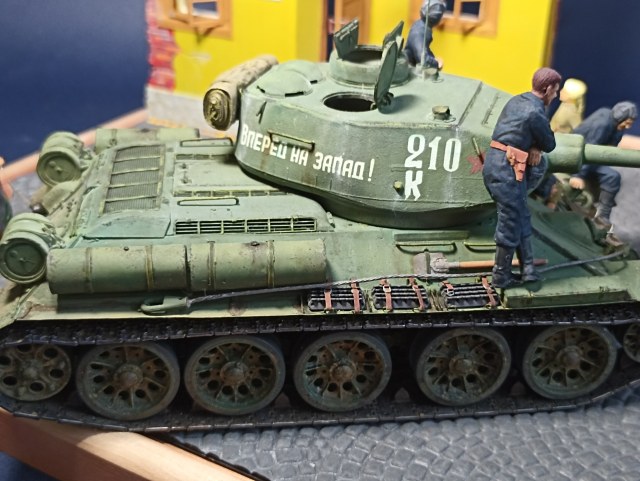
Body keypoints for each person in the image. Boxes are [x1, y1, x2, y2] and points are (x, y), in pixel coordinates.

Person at [483, 67, 562, 288]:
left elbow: (520, 132)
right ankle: (501, 276)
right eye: (555, 90)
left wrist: (533, 145)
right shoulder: (536, 112)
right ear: (547, 89)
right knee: (510, 221)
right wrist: (538, 144)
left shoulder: (516, 100)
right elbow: (550, 143)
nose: (556, 95)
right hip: (508, 169)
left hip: (496, 163)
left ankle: (528, 269)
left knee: (521, 215)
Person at [568, 101, 637, 245]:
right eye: (627, 122)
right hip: (578, 158)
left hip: (591, 158)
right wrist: (578, 176)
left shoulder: (613, 121)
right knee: (612, 177)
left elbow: (610, 146)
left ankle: (602, 215)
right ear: (620, 117)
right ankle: (602, 216)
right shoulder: (603, 125)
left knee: (612, 176)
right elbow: (589, 150)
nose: (628, 126)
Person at [535, 78, 589, 209]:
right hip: (550, 140)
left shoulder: (571, 112)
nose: (561, 91)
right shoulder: (565, 105)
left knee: (554, 175)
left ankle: (551, 202)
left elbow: (579, 131)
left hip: (558, 146)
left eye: (565, 91)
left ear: (572, 96)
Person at [404, 0, 446, 69]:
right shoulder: (419, 32)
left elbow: (425, 49)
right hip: (410, 67)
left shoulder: (423, 27)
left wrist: (433, 59)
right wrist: (436, 63)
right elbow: (423, 59)